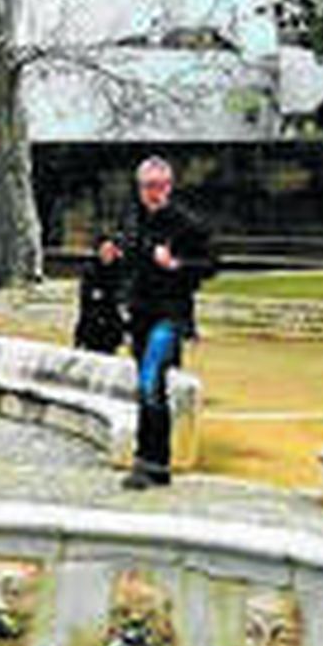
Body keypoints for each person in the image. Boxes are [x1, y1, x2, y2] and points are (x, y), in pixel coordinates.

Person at [119, 156, 214, 490]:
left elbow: (211, 264)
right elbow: (128, 260)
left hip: (169, 315)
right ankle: (154, 461)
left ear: (170, 186)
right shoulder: (134, 219)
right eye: (148, 186)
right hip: (140, 313)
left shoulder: (186, 224)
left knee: (151, 382)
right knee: (148, 387)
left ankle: (151, 460)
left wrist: (176, 264)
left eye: (160, 186)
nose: (154, 193)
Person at [72, 233, 126, 354]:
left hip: (111, 326)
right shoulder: (91, 269)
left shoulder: (120, 270)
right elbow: (87, 300)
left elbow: (120, 296)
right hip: (92, 325)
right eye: (105, 250)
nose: (108, 254)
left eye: (111, 251)